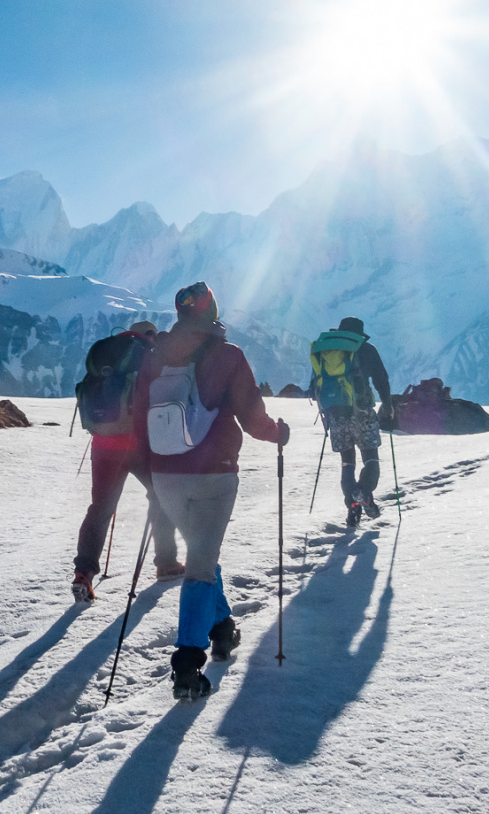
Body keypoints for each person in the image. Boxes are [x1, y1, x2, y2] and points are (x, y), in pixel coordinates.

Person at [133, 281, 289, 701]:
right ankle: (187, 664)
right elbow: (254, 418)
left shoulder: (155, 356)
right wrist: (279, 433)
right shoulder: (228, 355)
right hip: (214, 476)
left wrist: (149, 467)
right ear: (213, 311)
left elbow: (137, 415)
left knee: (204, 553)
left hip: (165, 475)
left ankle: (222, 630)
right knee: (201, 566)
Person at [71, 321, 180, 601]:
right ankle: (166, 563)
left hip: (104, 443)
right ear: (150, 336)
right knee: (161, 496)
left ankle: (84, 573)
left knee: (101, 507)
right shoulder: (147, 354)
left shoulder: (104, 353)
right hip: (139, 442)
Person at [309, 315, 392, 527]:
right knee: (371, 459)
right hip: (361, 410)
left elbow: (314, 383)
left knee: (347, 462)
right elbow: (381, 379)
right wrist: (388, 404)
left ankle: (353, 508)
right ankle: (363, 493)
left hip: (335, 413)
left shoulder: (326, 350)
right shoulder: (366, 348)